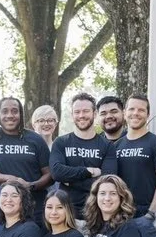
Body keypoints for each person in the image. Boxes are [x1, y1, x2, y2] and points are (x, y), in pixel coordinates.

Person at [0, 96, 52, 221]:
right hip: (6, 209)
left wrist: (30, 186)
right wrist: (11, 179)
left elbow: (50, 174)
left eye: (14, 111)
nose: (10, 115)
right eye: (5, 111)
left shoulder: (35, 139)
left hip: (35, 207)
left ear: (21, 114)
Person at [50, 92, 116, 222]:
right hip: (66, 216)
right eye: (77, 112)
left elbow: (107, 181)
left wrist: (70, 180)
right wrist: (88, 171)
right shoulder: (61, 142)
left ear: (94, 114)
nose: (81, 115)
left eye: (86, 111)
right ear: (72, 115)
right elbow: (56, 172)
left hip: (96, 216)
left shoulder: (107, 146)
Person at [111, 94, 156, 217]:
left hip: (147, 214)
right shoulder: (116, 146)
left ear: (148, 114)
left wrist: (151, 213)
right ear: (124, 113)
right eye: (132, 109)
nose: (136, 113)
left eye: (141, 110)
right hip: (120, 213)